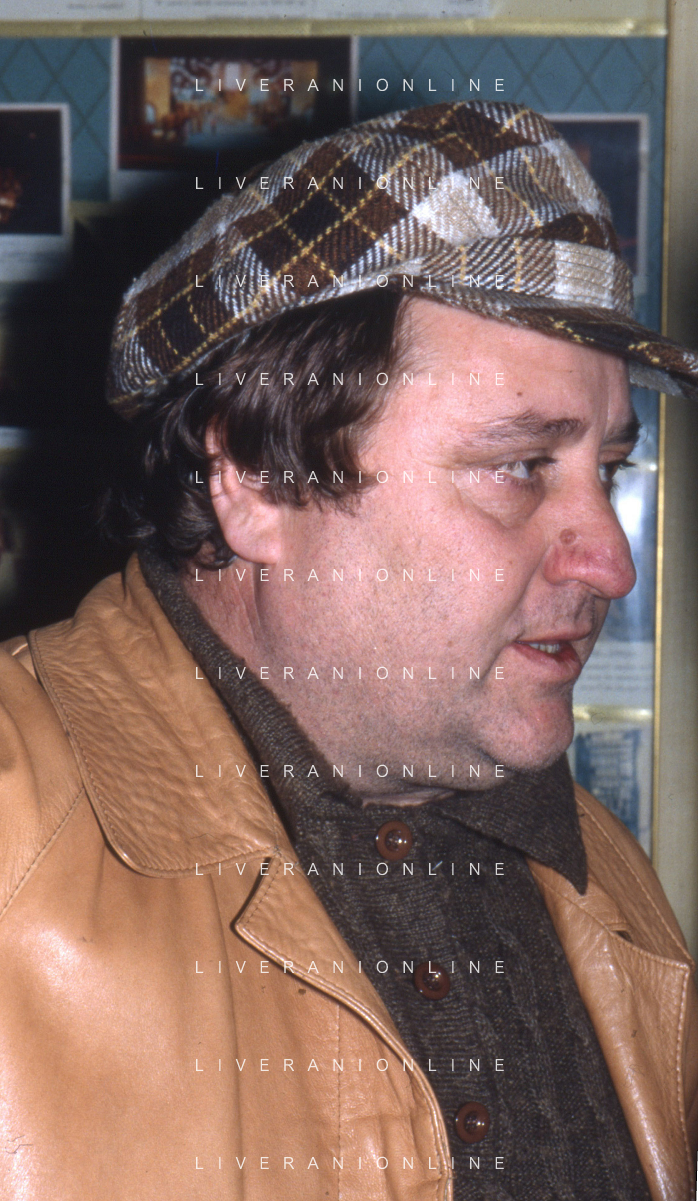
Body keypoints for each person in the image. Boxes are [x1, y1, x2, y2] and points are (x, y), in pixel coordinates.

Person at [0, 100, 696, 1201]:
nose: (609, 560)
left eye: (604, 469)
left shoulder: (601, 875)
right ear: (256, 483)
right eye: (520, 466)